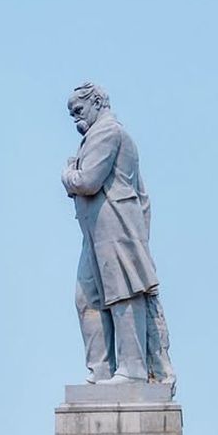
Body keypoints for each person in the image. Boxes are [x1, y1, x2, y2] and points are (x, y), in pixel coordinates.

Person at [61, 83, 175, 387]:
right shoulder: (94, 136)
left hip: (116, 225)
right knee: (87, 298)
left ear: (97, 102)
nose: (75, 118)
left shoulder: (107, 133)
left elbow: (87, 181)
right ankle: (100, 370)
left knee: (123, 293)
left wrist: (66, 174)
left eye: (78, 109)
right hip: (95, 231)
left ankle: (132, 369)